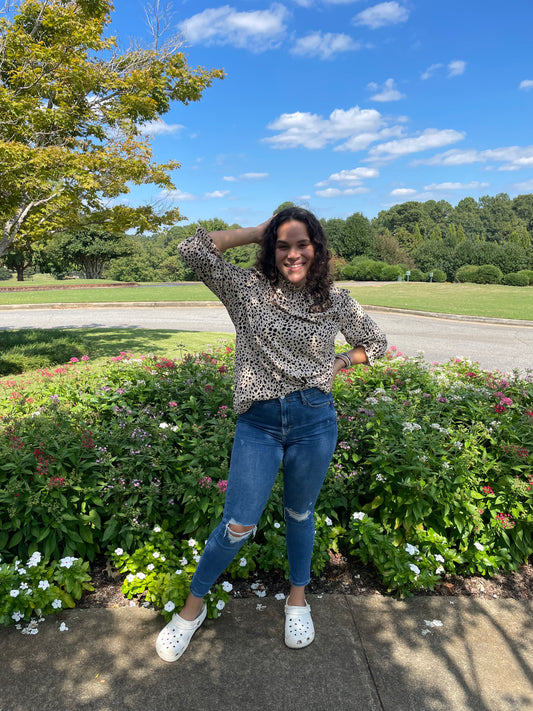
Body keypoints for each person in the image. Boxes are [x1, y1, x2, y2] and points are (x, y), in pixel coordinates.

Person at [156, 207, 387, 662]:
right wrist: (258, 230)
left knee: (300, 514)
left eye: (302, 244)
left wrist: (340, 363)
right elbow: (191, 250)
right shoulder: (246, 290)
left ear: (317, 248)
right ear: (271, 248)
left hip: (315, 419)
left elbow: (375, 343)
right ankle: (192, 609)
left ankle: (297, 599)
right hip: (258, 424)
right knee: (238, 523)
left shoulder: (334, 300)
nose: (293, 254)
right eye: (282, 245)